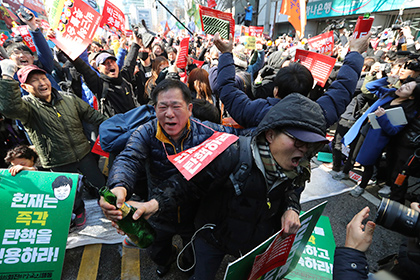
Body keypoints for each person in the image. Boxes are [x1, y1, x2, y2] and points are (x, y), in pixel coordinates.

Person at [100, 79, 248, 277]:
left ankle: (187, 264)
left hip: (194, 213)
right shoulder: (145, 132)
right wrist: (119, 186)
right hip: (156, 213)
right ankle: (166, 260)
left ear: (189, 108)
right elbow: (129, 158)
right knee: (156, 249)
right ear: (154, 109)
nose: (169, 114)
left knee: (192, 251)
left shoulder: (207, 132)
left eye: (176, 106)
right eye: (163, 107)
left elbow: (244, 137)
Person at [0, 63, 108, 227]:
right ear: (24, 86)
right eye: (35, 81)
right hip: (58, 161)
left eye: (43, 78)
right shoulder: (26, 107)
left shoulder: (69, 98)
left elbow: (93, 116)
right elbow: (10, 108)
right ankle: (79, 210)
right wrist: (7, 77)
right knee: (70, 194)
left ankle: (108, 203)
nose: (42, 83)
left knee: (100, 184)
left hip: (83, 153)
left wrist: (117, 126)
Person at [214, 32, 371, 129]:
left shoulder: (256, 111)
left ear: (275, 91)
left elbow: (226, 87)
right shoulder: (320, 115)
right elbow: (343, 87)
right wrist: (355, 52)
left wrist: (226, 53)